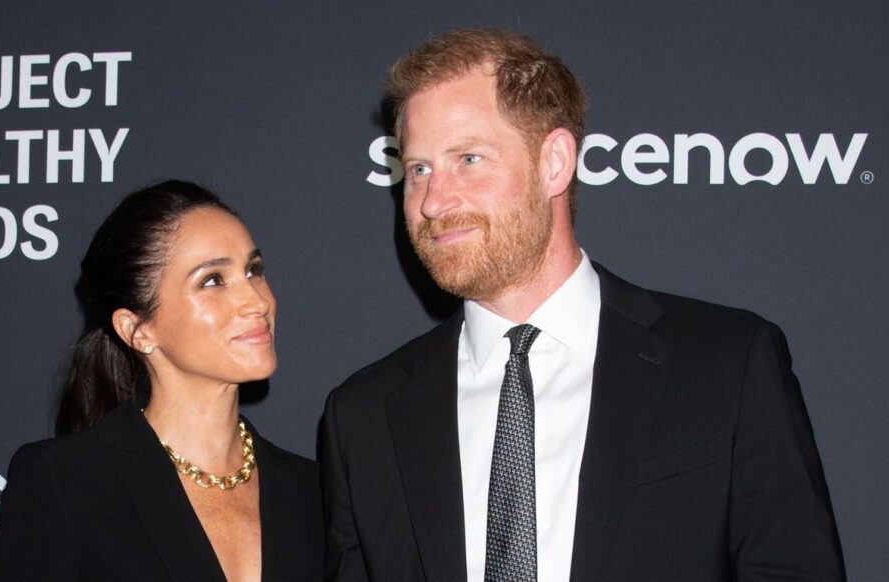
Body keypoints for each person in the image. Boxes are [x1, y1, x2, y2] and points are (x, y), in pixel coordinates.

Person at [319, 29, 844, 581]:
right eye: (419, 168)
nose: (433, 201)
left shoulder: (727, 365)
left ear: (555, 162)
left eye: (468, 158)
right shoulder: (364, 416)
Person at [0, 180, 323, 581]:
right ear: (138, 329)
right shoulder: (63, 482)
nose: (257, 301)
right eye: (212, 280)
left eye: (254, 270)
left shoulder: (314, 491)